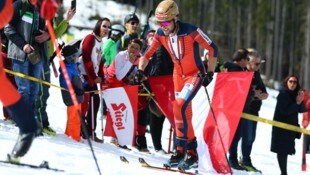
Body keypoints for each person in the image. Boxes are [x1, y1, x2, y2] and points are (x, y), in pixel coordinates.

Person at [135, 0, 218, 170]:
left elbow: (212, 48)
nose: (162, 26)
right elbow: (147, 54)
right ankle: (182, 152)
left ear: (175, 18)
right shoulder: (160, 33)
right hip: (177, 76)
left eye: (165, 22)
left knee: (179, 105)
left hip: (194, 74)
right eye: (159, 23)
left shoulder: (190, 30)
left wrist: (209, 71)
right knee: (179, 111)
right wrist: (140, 70)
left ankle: (189, 152)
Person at [4, 0, 51, 135]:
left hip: (37, 55)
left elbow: (50, 30)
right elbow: (8, 28)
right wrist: (23, 45)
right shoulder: (19, 5)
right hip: (20, 53)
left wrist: (46, 36)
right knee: (24, 89)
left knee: (34, 90)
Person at [36, 2, 76, 136]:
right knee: (40, 92)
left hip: (46, 59)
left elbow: (54, 34)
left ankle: (40, 121)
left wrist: (66, 20)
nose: (57, 5)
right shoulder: (40, 13)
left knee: (44, 91)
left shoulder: (50, 16)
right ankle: (39, 122)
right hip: (38, 58)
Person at [104, 39, 146, 151]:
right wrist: (130, 63)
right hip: (112, 83)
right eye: (132, 47)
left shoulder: (138, 57)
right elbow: (119, 75)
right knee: (117, 111)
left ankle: (119, 138)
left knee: (124, 111)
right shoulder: (121, 56)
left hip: (122, 85)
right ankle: (115, 137)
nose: (134, 50)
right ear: (128, 46)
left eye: (137, 49)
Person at [78, 17, 110, 143]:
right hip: (84, 75)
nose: (106, 29)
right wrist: (93, 76)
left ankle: (90, 130)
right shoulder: (90, 38)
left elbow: (99, 61)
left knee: (95, 102)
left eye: (108, 27)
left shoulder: (101, 42)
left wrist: (101, 78)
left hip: (92, 77)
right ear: (98, 26)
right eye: (104, 26)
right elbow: (86, 58)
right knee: (86, 104)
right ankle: (84, 129)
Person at [142, 30, 173, 154]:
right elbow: (147, 68)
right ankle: (157, 146)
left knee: (161, 116)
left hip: (164, 85)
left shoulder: (164, 49)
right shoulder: (148, 50)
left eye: (154, 36)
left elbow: (168, 66)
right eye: (150, 36)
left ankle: (159, 146)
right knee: (156, 115)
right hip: (154, 85)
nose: (152, 38)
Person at [238, 50, 269, 171]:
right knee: (244, 137)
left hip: (254, 111)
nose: (258, 66)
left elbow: (264, 91)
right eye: (256, 64)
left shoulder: (257, 74)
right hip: (244, 110)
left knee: (251, 138)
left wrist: (261, 95)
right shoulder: (242, 73)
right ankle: (242, 160)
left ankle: (246, 160)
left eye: (260, 63)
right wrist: (254, 94)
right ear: (247, 62)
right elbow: (241, 92)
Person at [271, 75, 306, 175]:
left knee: (286, 151)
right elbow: (285, 111)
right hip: (281, 128)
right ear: (286, 82)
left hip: (290, 128)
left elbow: (302, 109)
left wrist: (301, 100)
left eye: (295, 82)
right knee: (281, 151)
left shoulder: (295, 94)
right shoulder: (282, 94)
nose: (292, 84)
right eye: (290, 81)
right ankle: (284, 173)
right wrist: (297, 102)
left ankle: (284, 173)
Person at [59, 43, 84, 142]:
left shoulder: (74, 66)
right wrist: (75, 89)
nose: (79, 58)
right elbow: (65, 83)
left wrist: (84, 85)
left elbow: (80, 79)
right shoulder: (67, 69)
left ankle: (70, 134)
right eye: (77, 56)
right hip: (72, 97)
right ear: (71, 58)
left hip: (77, 97)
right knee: (74, 118)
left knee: (76, 117)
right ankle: (73, 137)